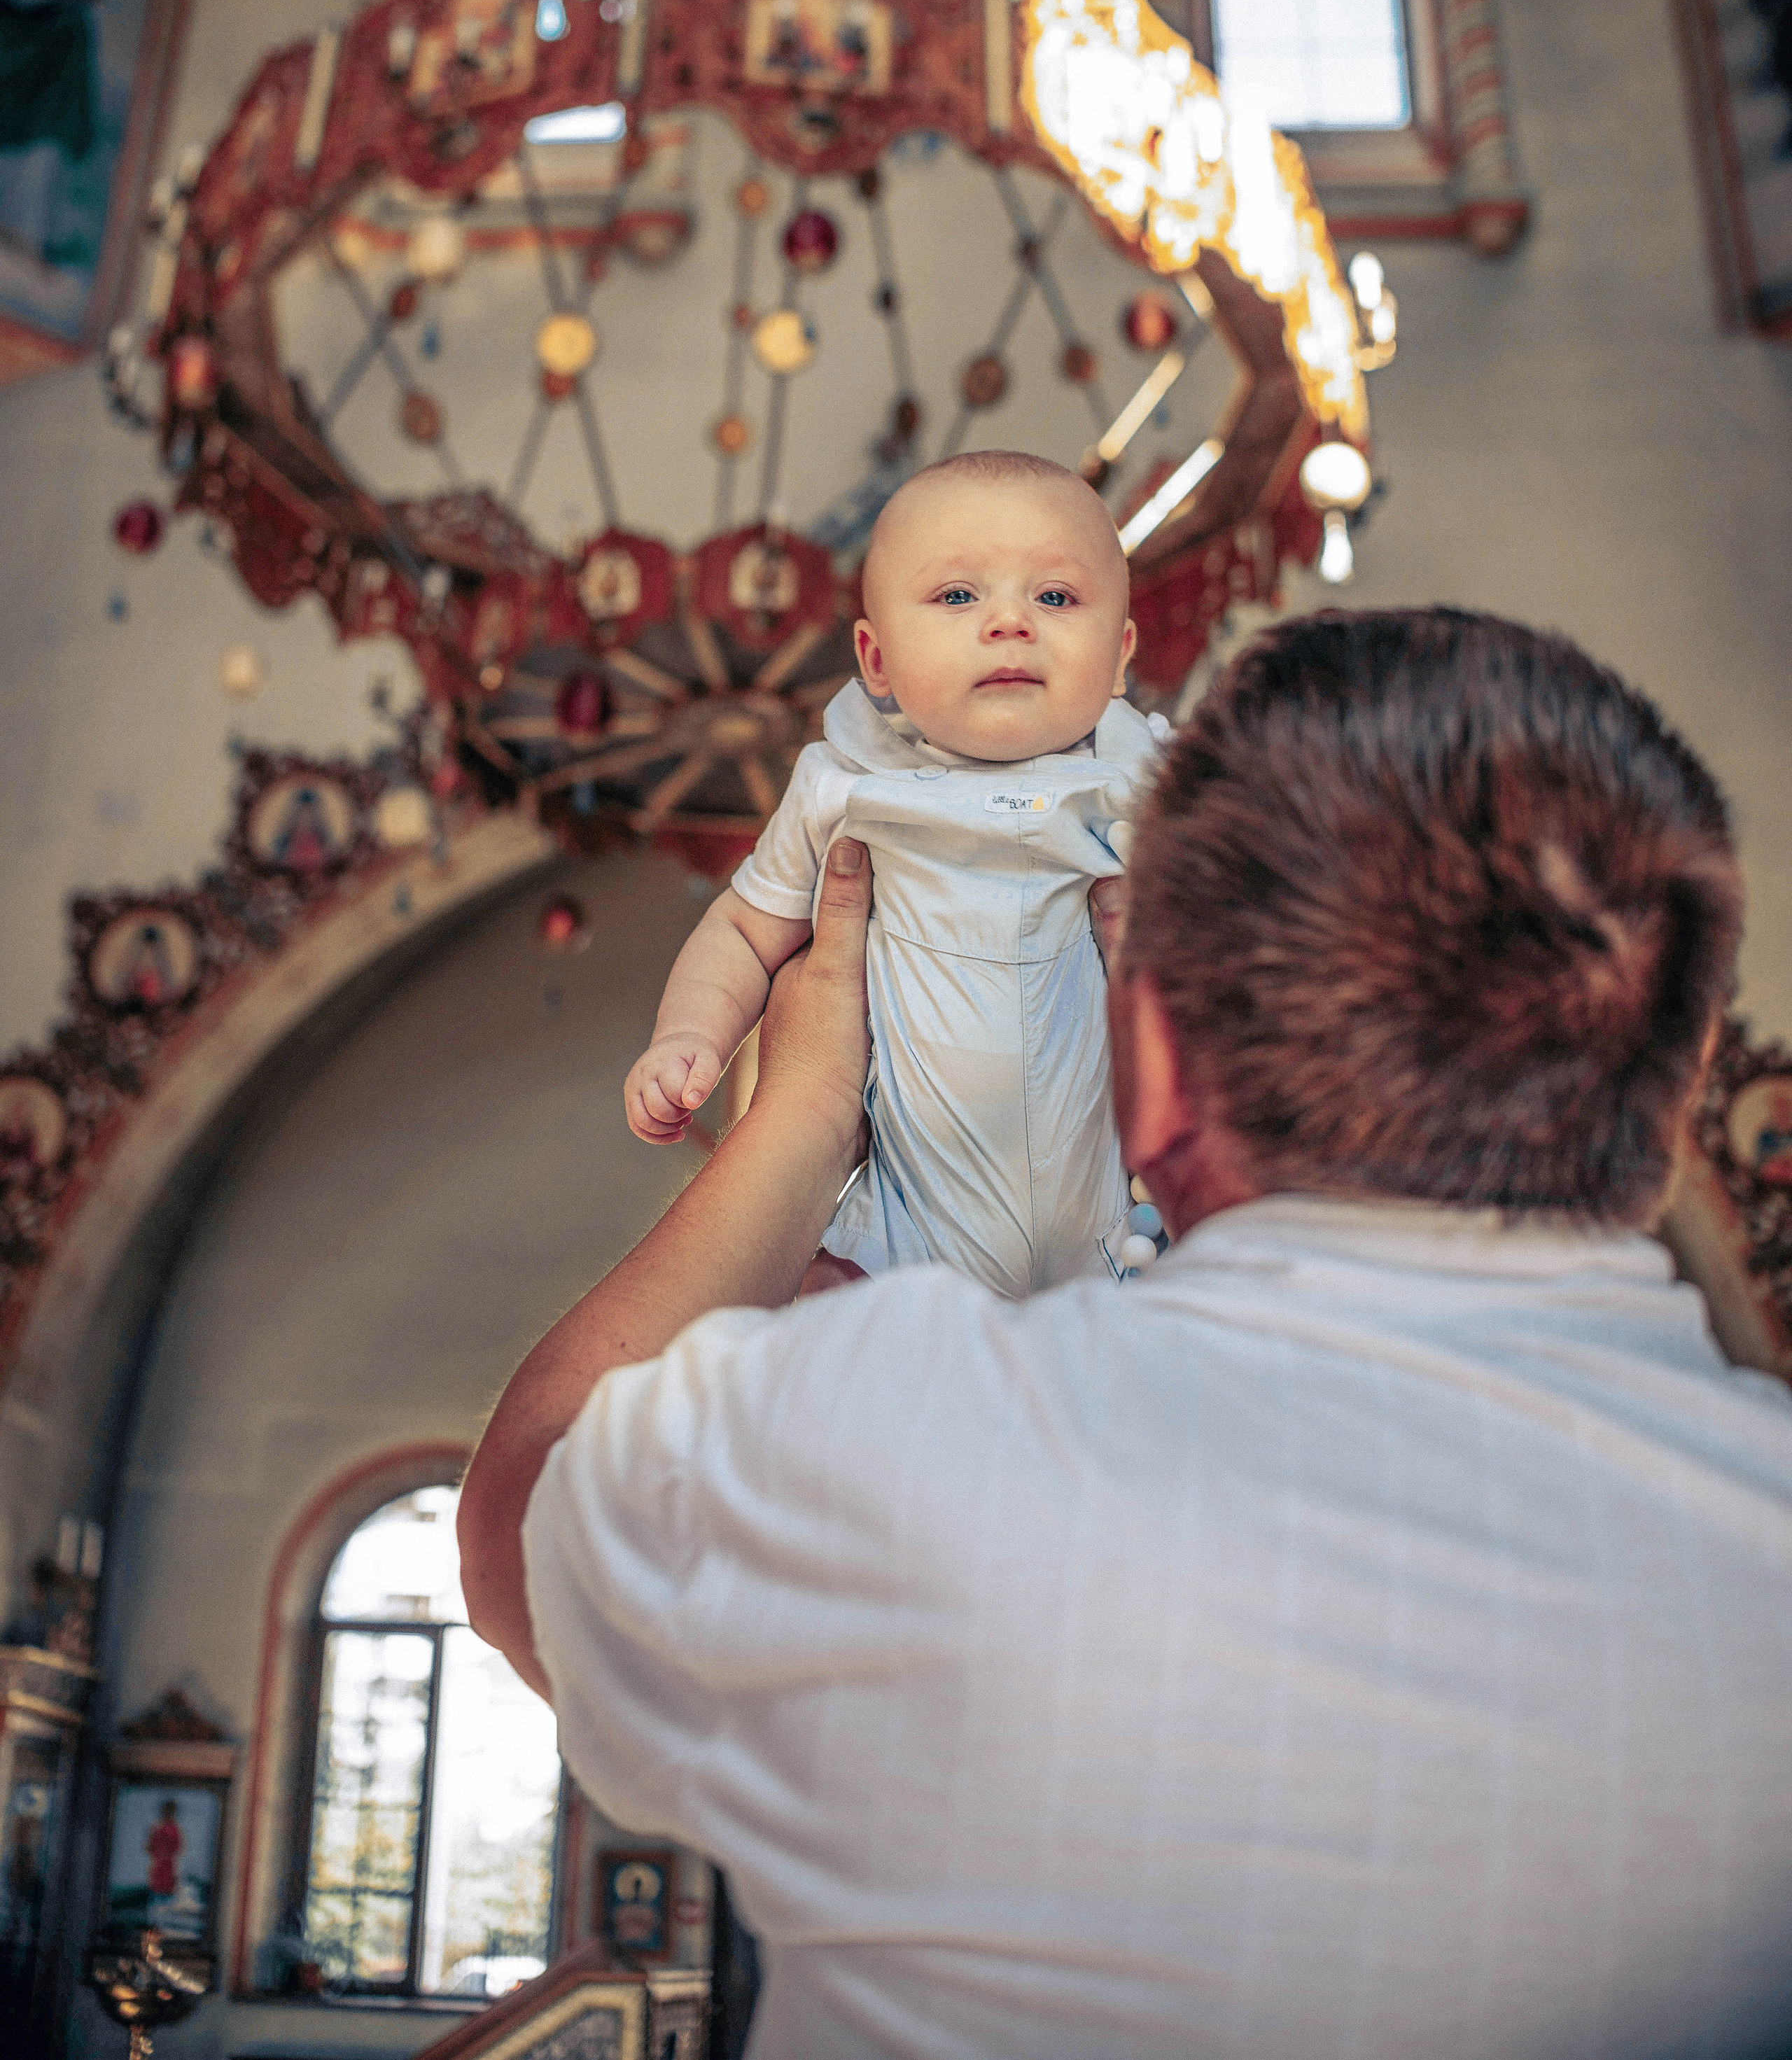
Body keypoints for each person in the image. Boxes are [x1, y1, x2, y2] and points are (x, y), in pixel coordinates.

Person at [462, 608, 1792, 2060]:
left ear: (1146, 1061)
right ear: (1666, 1108)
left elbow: (526, 1499)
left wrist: (795, 1119)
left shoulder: (905, 1440)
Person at [625, 451, 1166, 1293]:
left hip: (1116, 1235)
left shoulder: (1151, 782)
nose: (1009, 621)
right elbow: (742, 928)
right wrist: (690, 1035)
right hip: (910, 1236)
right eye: (958, 595)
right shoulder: (845, 786)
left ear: (1120, 652)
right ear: (876, 663)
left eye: (1054, 596)